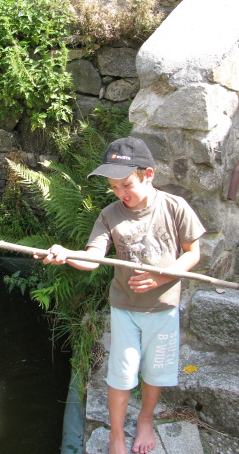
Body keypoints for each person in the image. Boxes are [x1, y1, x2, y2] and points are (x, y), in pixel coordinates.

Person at [41, 136, 206, 454]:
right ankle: (116, 434)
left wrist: (161, 277)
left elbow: (192, 253)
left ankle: (145, 419)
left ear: (148, 175)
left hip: (163, 308)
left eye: (126, 185)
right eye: (114, 187)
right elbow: (93, 259)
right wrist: (66, 254)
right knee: (121, 373)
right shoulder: (110, 215)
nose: (120, 193)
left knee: (155, 371)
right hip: (124, 309)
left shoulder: (174, 208)